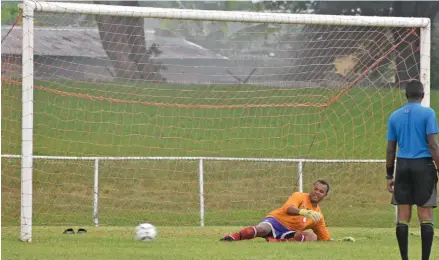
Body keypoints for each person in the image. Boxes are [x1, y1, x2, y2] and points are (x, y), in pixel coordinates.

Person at [386, 80, 439, 260]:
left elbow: (390, 148)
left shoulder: (394, 116)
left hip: (402, 166)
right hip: (423, 166)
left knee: (403, 215)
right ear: (423, 95)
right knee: (425, 215)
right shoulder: (428, 113)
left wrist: (389, 174)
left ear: (406, 95)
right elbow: (433, 144)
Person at [220, 179, 333, 242]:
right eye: (315, 189)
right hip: (276, 221)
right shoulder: (299, 196)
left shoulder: (318, 216)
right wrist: (303, 212)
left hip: (289, 232)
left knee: (312, 237)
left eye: (321, 191)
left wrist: (340, 241)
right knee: (262, 229)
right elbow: (288, 208)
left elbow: (324, 237)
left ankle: (276, 241)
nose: (317, 192)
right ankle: (232, 238)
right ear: (312, 188)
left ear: (325, 195)